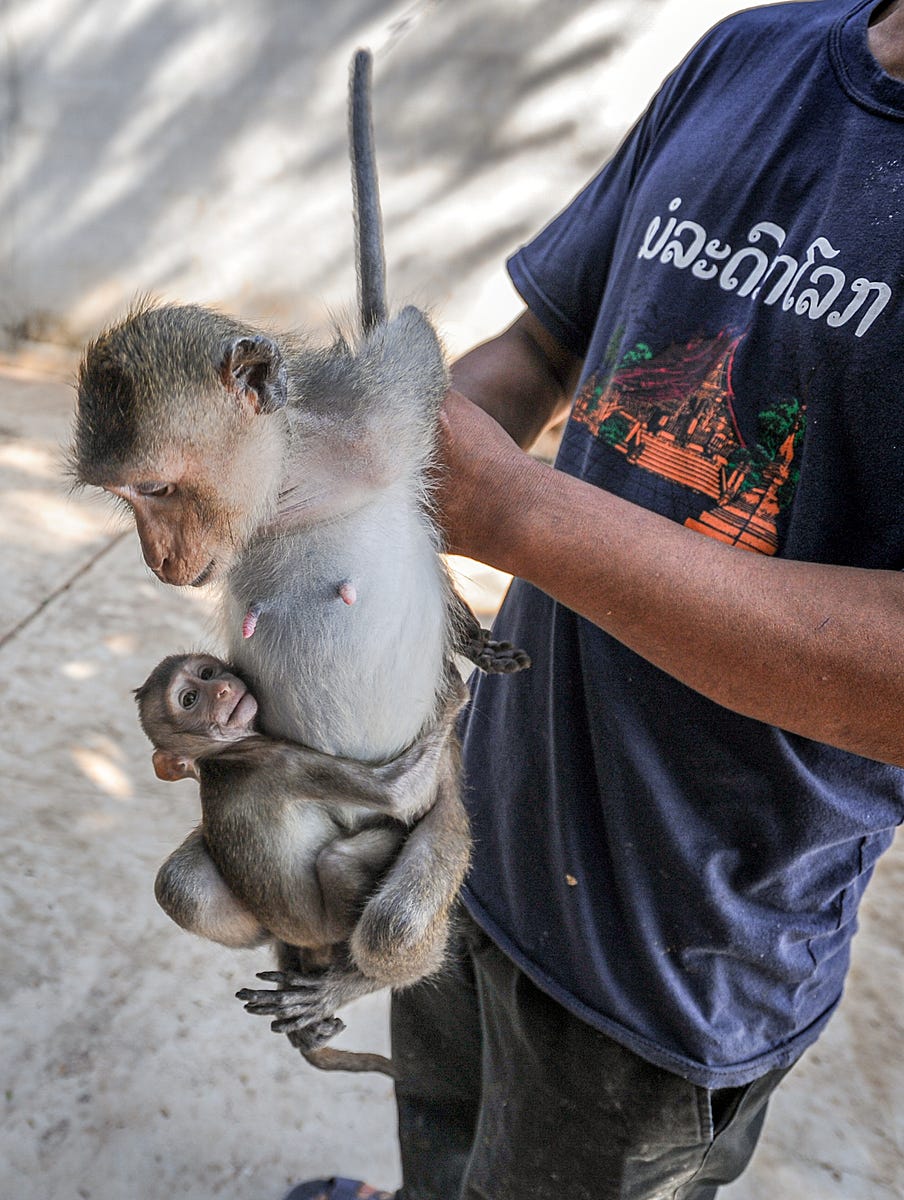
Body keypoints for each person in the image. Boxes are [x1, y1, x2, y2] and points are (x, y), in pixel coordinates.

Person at [288, 1, 904, 1197]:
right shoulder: (751, 53)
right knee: (443, 1140)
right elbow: (539, 346)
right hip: (486, 825)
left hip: (675, 951)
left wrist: (514, 512)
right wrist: (360, 494)